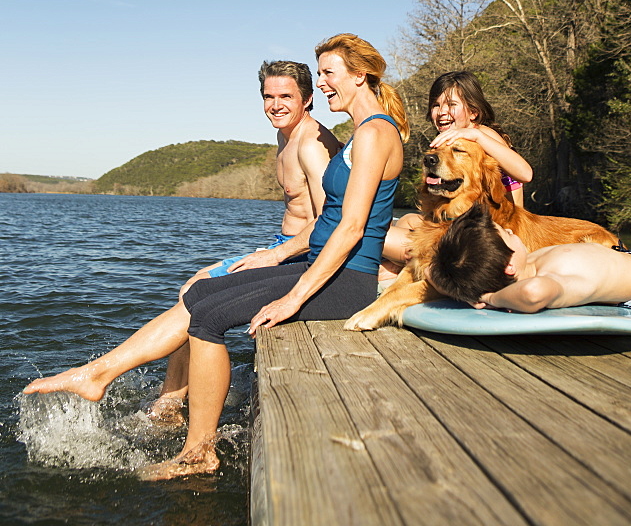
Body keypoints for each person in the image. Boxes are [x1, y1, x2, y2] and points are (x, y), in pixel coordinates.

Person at [24, 33, 410, 480]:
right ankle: (99, 374)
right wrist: (275, 256)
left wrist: (294, 297)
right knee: (201, 294)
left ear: (359, 76)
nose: (322, 83)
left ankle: (199, 453)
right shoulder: (361, 134)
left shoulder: (376, 133)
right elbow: (333, 224)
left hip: (346, 280)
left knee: (209, 320)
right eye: (319, 72)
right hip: (322, 266)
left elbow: (350, 228)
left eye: (328, 73)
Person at [151, 59, 341, 421]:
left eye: (286, 95)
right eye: (268, 96)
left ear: (308, 98)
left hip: (297, 253)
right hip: (280, 243)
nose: (275, 104)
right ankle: (175, 396)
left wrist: (275, 256)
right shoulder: (284, 135)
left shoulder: (311, 145)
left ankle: (171, 401)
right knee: (191, 287)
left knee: (194, 291)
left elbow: (325, 223)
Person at [379, 70, 532, 283]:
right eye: (436, 105)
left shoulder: (482, 135)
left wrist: (476, 135)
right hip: (464, 220)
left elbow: (525, 173)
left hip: (497, 231)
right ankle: (398, 267)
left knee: (383, 236)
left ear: (473, 113)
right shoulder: (451, 141)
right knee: (406, 220)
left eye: (451, 105)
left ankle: (401, 268)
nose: (442, 111)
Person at [426, 201, 631, 326]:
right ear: (509, 266)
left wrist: (473, 294)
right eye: (506, 234)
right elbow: (534, 294)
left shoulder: (528, 265)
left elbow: (432, 272)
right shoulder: (549, 278)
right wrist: (490, 299)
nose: (511, 229)